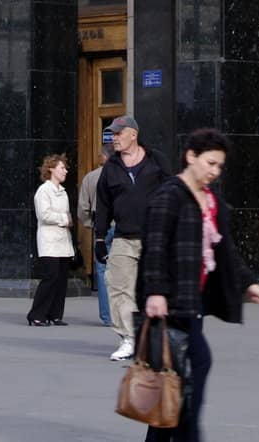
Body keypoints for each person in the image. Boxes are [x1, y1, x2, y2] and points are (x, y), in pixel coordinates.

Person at [139, 127, 259, 442]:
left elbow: (224, 250)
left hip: (191, 303)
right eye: (210, 163)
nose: (215, 171)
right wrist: (156, 292)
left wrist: (248, 283)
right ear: (191, 157)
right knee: (188, 374)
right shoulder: (169, 196)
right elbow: (154, 247)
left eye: (219, 166)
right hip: (169, 305)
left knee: (173, 383)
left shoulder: (211, 201)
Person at [94, 115, 169, 361]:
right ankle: (128, 338)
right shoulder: (111, 168)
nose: (113, 138)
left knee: (153, 290)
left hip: (154, 237)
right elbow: (103, 205)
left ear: (133, 134)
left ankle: (157, 339)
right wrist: (99, 238)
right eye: (112, 134)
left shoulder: (156, 160)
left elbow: (173, 191)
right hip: (123, 237)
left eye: (118, 133)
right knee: (117, 287)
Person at [27, 154, 73, 326]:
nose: (65, 171)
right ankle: (37, 314)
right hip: (49, 242)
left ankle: (55, 314)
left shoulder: (63, 192)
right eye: (62, 168)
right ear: (51, 169)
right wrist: (64, 219)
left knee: (61, 280)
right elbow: (44, 215)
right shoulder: (44, 191)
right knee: (50, 278)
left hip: (63, 242)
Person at [78, 146, 113, 327]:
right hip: (122, 226)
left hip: (101, 227)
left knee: (102, 270)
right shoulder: (123, 175)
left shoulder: (91, 177)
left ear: (103, 157)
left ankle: (107, 316)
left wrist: (90, 224)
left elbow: (83, 207)